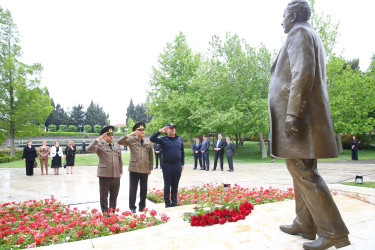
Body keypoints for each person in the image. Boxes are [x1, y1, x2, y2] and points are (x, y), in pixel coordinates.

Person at [268, 1, 350, 249]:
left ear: (292, 15)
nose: (281, 21)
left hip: (298, 118)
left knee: (303, 170)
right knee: (299, 168)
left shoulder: (299, 32)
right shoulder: (306, 33)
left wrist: (293, 111)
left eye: (283, 16)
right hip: (301, 117)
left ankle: (334, 232)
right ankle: (305, 223)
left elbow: (303, 72)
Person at [118, 122, 153, 213]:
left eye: (143, 130)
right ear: (136, 131)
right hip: (134, 168)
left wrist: (150, 168)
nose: (142, 132)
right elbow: (119, 142)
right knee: (133, 189)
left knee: (143, 189)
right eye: (140, 130)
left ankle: (142, 206)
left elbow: (151, 155)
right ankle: (132, 207)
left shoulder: (147, 141)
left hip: (145, 168)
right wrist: (128, 135)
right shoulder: (131, 140)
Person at [87, 125, 123, 215]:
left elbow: (120, 160)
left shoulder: (117, 145)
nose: (111, 137)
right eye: (109, 135)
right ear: (105, 136)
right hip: (104, 175)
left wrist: (120, 172)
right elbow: (89, 148)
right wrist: (98, 139)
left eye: (112, 135)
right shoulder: (100, 145)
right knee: (104, 196)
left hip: (116, 175)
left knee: (114, 196)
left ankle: (112, 212)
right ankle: (105, 213)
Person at [150, 122, 184, 208]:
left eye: (174, 128)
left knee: (175, 185)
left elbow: (182, 152)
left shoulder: (179, 139)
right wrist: (159, 131)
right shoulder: (163, 139)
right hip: (167, 165)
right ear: (167, 130)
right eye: (171, 128)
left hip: (177, 165)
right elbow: (152, 139)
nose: (173, 129)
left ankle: (174, 203)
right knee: (167, 185)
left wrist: (182, 164)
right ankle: (167, 203)